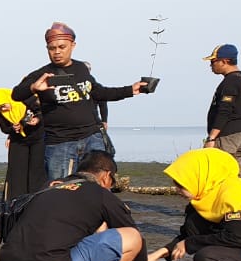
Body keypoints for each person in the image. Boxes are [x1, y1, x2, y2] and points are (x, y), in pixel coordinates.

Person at [0, 150, 146, 261]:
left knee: (52, 230)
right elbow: (138, 239)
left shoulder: (50, 185)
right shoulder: (101, 194)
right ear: (106, 176)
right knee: (133, 237)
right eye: (113, 181)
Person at [12, 23, 146, 183]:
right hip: (60, 144)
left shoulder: (81, 68)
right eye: (51, 48)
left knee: (98, 187)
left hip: (92, 137)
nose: (57, 52)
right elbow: (16, 94)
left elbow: (99, 92)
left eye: (62, 47)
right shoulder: (42, 74)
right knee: (60, 190)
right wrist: (33, 88)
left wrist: (131, 90)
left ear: (73, 45)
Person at [0, 86, 45, 198]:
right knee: (16, 171)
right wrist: (12, 129)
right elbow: (4, 128)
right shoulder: (1, 114)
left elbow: (41, 110)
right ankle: (15, 199)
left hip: (37, 137)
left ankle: (36, 197)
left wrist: (37, 119)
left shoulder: (24, 99)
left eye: (3, 106)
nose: (3, 109)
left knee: (36, 169)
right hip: (18, 140)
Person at [202, 44, 241, 158]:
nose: (211, 65)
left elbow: (225, 110)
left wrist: (212, 137)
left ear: (224, 61)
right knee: (234, 173)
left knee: (219, 173)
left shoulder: (231, 81)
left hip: (227, 136)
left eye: (213, 61)